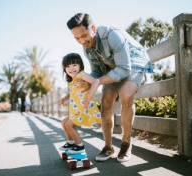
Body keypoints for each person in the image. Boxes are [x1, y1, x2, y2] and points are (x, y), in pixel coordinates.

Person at [66, 13, 154, 162]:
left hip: (134, 65)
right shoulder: (86, 48)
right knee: (106, 102)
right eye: (77, 38)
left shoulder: (112, 35)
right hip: (112, 69)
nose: (82, 41)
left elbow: (125, 69)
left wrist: (97, 81)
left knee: (126, 95)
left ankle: (126, 144)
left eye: (84, 36)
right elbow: (97, 71)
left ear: (93, 28)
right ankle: (108, 147)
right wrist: (89, 80)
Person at [59, 53, 101, 154]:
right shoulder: (74, 79)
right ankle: (71, 143)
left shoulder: (82, 75)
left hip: (84, 108)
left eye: (74, 65)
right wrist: (65, 98)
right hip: (76, 109)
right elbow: (73, 92)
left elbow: (95, 82)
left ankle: (79, 146)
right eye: (68, 66)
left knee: (69, 125)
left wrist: (89, 96)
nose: (71, 68)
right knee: (64, 122)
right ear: (64, 69)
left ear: (80, 65)